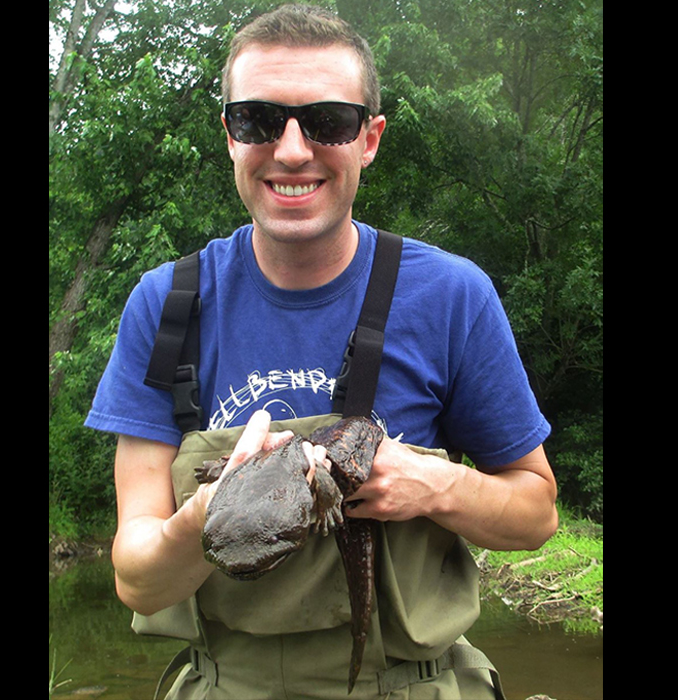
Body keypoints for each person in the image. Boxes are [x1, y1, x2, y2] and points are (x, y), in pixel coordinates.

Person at [85, 4, 558, 698]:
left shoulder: (453, 294)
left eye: (329, 121)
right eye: (258, 120)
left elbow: (537, 514)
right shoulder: (166, 304)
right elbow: (137, 581)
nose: (293, 150)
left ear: (369, 138)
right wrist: (209, 516)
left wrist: (433, 485)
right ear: (229, 135)